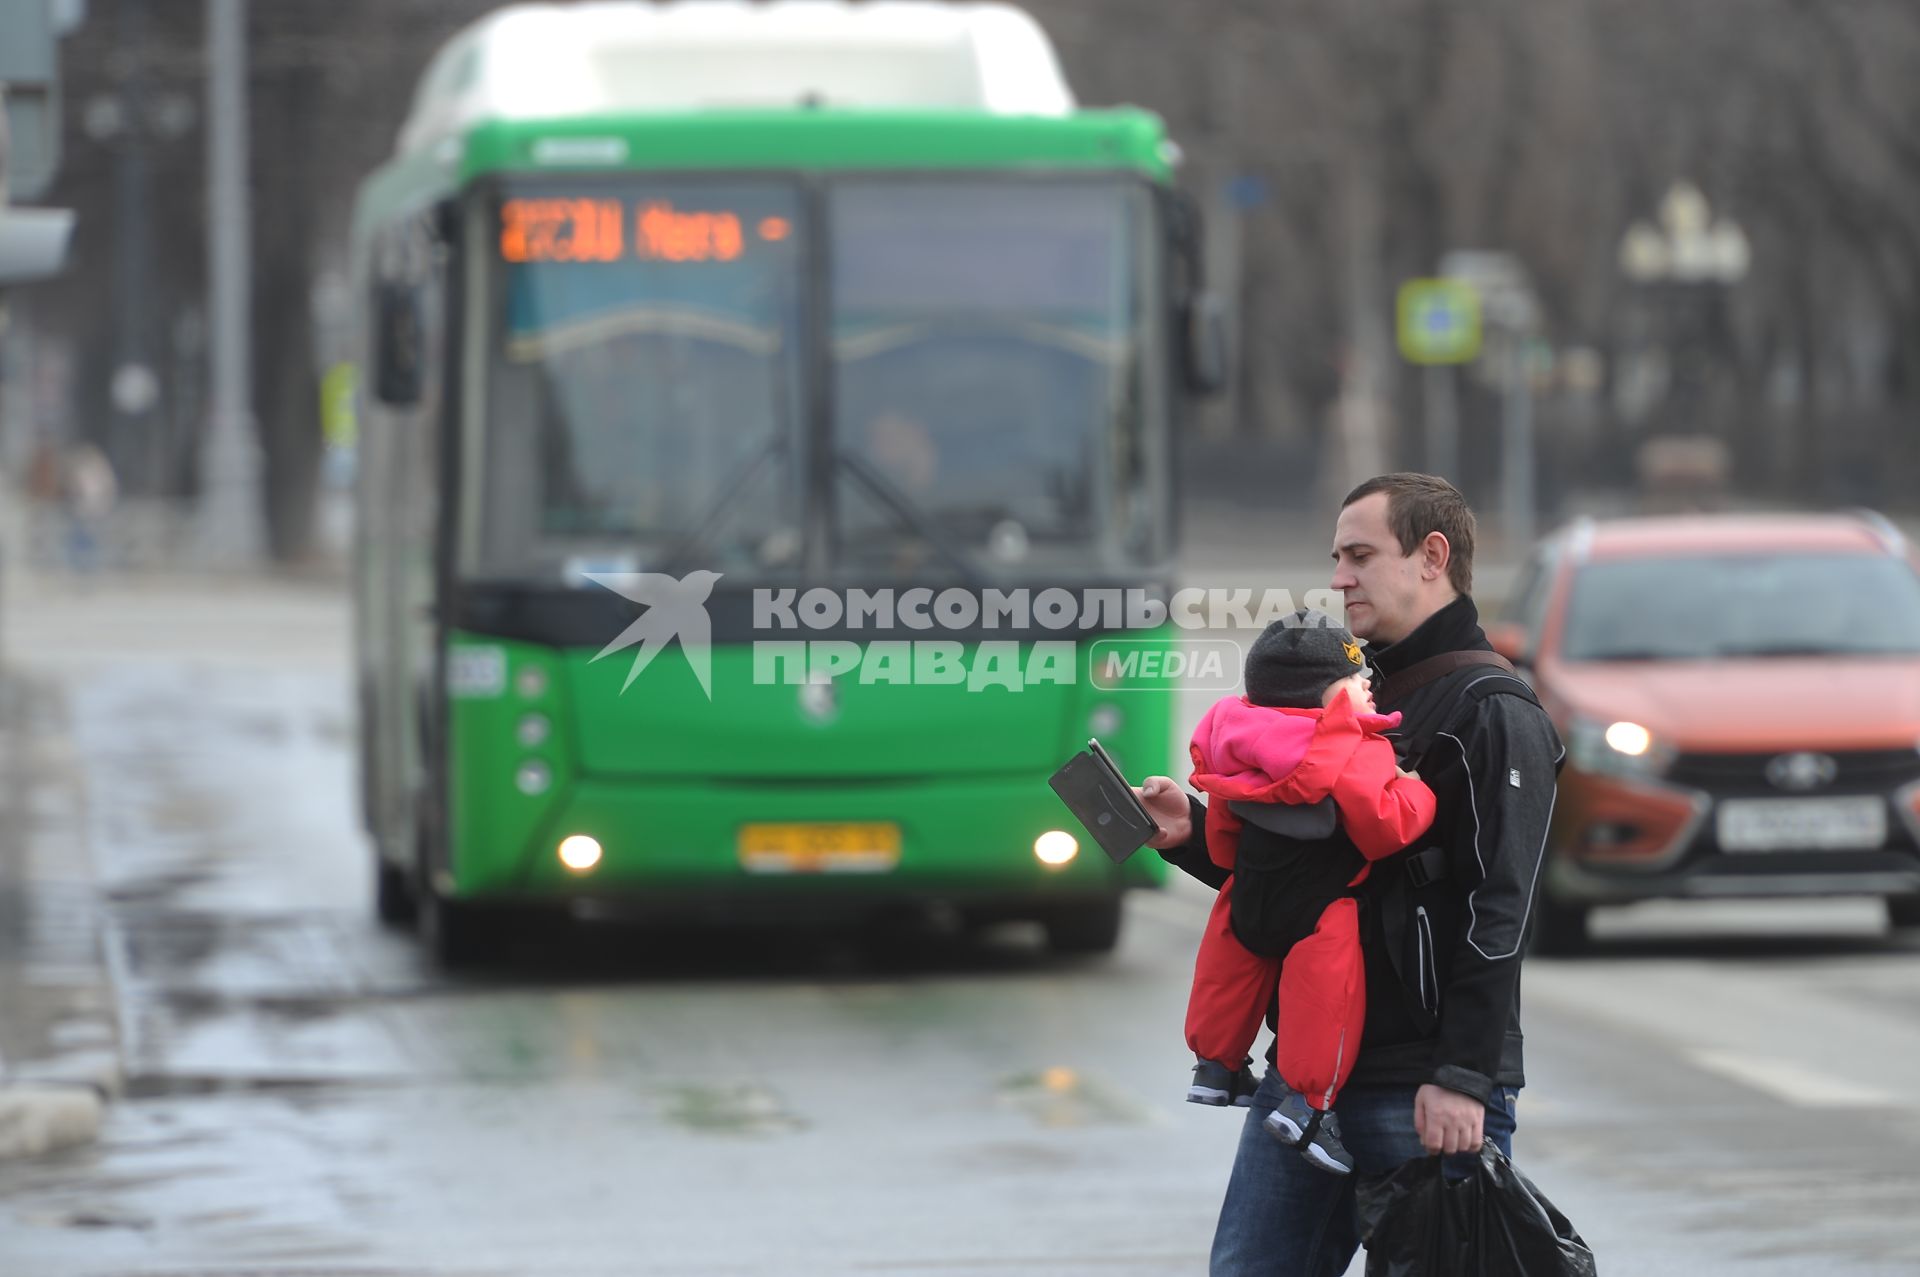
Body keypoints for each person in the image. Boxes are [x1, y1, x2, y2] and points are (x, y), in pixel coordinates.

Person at [1136, 473, 1565, 1275]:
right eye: (1336, 556)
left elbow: (1495, 911)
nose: (1338, 577)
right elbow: (1312, 878)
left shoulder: (1494, 709)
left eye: (1360, 555)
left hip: (1425, 1086)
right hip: (1308, 1077)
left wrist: (1465, 1077)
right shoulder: (1340, 693)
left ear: (1431, 556)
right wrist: (1191, 835)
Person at [1182, 608, 1437, 1180]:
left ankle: (1215, 1069)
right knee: (1324, 1007)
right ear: (1327, 698)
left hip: (1249, 896)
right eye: (1355, 679)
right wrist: (1419, 793)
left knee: (1227, 976)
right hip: (1321, 911)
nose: (1369, 682)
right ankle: (1310, 1110)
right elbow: (1384, 829)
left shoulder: (1235, 742)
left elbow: (1223, 834)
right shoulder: (1349, 749)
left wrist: (1235, 864)